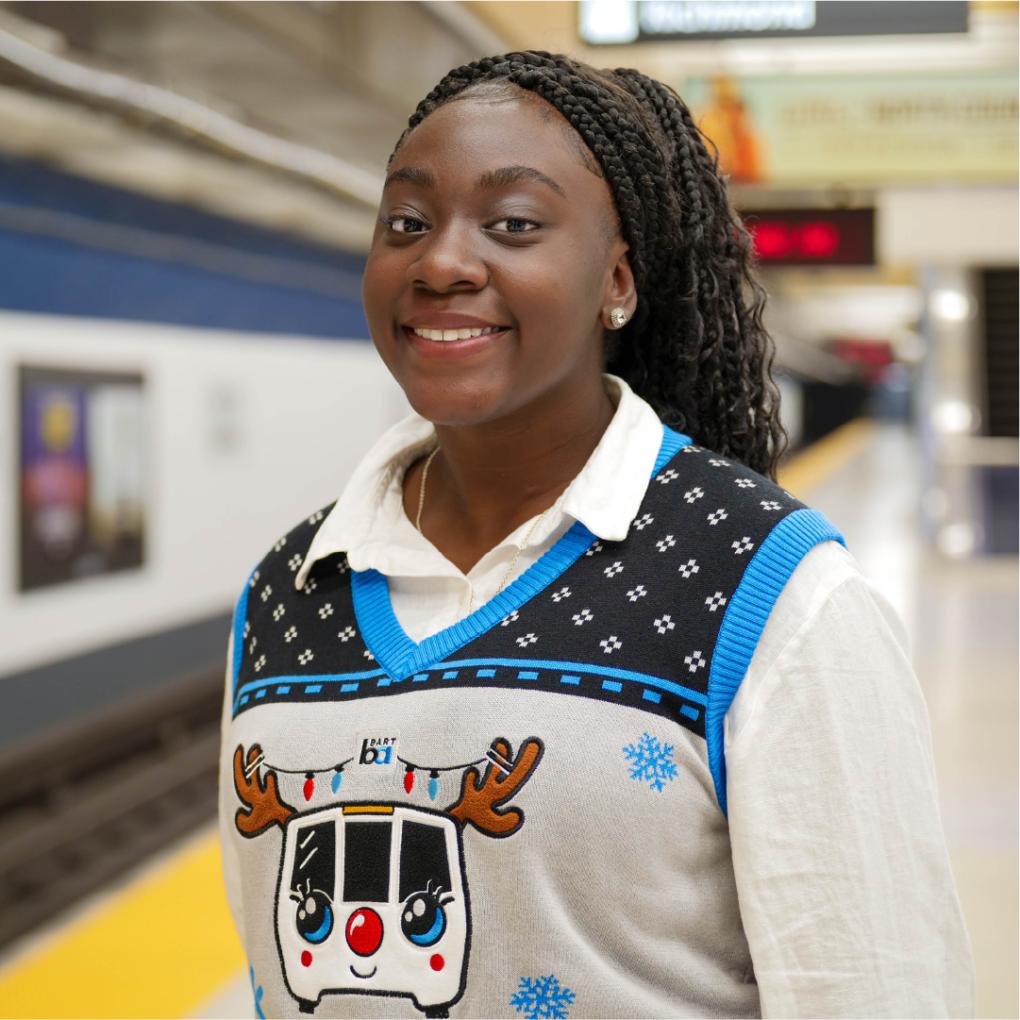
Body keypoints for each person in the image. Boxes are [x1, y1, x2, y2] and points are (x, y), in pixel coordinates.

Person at [218, 50, 973, 1019]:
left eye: (514, 224)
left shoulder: (768, 588)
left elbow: (876, 989)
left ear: (617, 281)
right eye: (407, 222)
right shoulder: (288, 588)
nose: (441, 261)